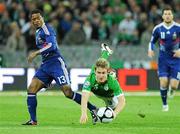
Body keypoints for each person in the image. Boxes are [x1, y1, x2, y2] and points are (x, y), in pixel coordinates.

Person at [22, 9, 97, 125]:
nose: (36, 21)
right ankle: (33, 120)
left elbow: (52, 46)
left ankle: (93, 108)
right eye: (33, 19)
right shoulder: (38, 31)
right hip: (45, 65)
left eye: (38, 18)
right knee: (31, 89)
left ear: (42, 18)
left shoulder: (47, 29)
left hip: (56, 64)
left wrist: (35, 53)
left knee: (68, 92)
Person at [80, 44, 126, 124]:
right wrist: (84, 113)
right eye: (99, 72)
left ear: (107, 71)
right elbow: (84, 97)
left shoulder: (112, 81)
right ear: (95, 71)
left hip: (109, 96)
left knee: (113, 108)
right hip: (98, 91)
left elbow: (122, 101)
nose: (101, 75)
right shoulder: (90, 79)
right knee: (100, 62)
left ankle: (105, 52)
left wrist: (115, 114)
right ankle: (105, 51)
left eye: (103, 73)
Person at [148, 6, 180, 112]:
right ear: (162, 16)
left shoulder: (178, 28)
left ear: (172, 15)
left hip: (176, 60)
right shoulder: (158, 28)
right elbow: (152, 41)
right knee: (163, 82)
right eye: (165, 14)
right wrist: (150, 50)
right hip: (163, 59)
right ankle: (165, 104)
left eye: (169, 14)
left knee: (174, 85)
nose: (167, 16)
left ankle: (172, 90)